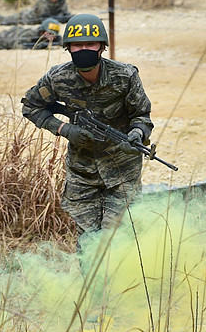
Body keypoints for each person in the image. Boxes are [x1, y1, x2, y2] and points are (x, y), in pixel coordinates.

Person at [21, 13, 153, 242]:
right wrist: (64, 129)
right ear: (68, 48)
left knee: (119, 237)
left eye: (90, 44)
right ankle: (90, 279)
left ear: (102, 47)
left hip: (122, 169)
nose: (84, 49)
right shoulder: (58, 77)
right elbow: (31, 106)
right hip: (82, 171)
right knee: (87, 240)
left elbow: (142, 116)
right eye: (77, 45)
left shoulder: (124, 76)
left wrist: (136, 134)